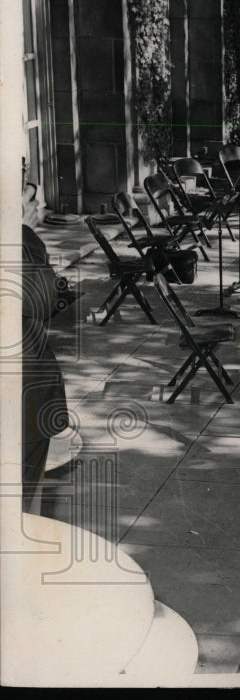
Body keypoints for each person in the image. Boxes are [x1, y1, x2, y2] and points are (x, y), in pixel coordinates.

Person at [20, 182, 69, 514]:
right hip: (23, 392)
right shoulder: (18, 240)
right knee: (23, 507)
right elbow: (42, 299)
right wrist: (23, 231)